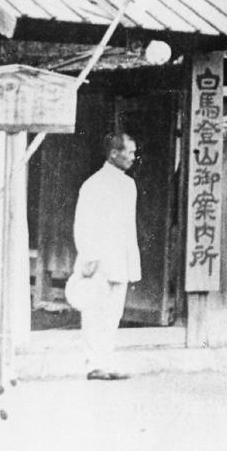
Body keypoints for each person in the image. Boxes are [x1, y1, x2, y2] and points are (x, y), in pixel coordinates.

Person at [71, 132, 142, 381]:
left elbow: (128, 227)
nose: (133, 157)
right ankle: (94, 364)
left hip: (119, 259)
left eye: (134, 152)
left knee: (113, 315)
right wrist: (89, 257)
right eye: (129, 152)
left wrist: (131, 261)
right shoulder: (94, 184)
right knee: (94, 312)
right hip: (98, 260)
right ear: (114, 154)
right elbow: (83, 224)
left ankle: (107, 361)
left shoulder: (128, 185)